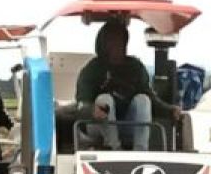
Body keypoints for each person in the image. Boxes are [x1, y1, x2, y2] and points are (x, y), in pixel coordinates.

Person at [74, 20, 180, 151]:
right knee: (104, 99)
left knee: (143, 100)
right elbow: (80, 104)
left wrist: (169, 110)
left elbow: (151, 98)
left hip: (127, 124)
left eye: (121, 40)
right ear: (103, 44)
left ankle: (141, 151)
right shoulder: (92, 69)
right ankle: (114, 149)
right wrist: (92, 111)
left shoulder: (135, 67)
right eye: (112, 41)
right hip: (97, 125)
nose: (117, 45)